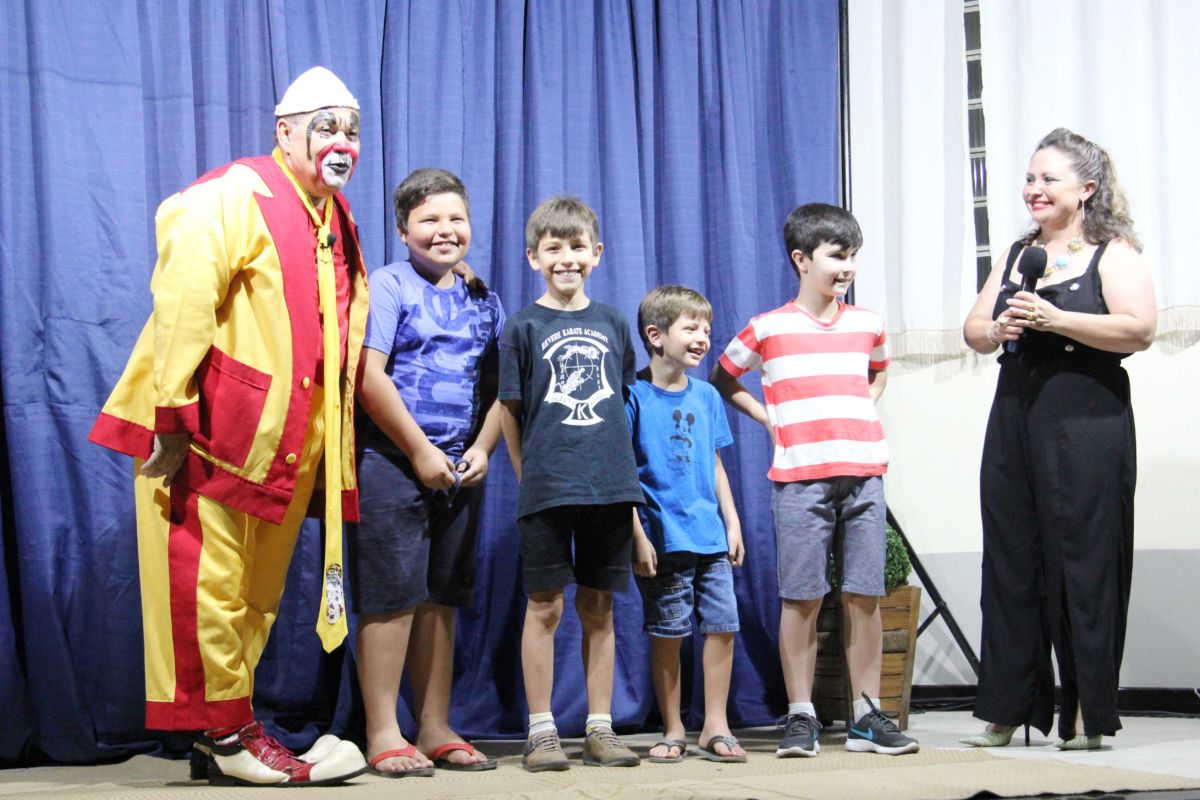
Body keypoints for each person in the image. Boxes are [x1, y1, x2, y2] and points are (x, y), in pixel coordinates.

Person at [87, 66, 370, 786]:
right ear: (285, 131)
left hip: (286, 442)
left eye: (352, 130)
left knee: (257, 594)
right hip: (216, 428)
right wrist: (173, 412)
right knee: (208, 584)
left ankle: (231, 727)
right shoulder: (231, 195)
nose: (342, 142)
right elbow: (183, 303)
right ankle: (222, 731)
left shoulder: (333, 218)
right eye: (327, 126)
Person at [961, 128, 1155, 750]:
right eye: (1029, 178)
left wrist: (1056, 317)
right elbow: (973, 328)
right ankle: (1007, 707)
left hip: (1086, 417)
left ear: (1087, 189)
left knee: (1083, 563)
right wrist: (998, 328)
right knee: (1013, 557)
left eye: (1049, 179)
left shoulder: (1112, 250)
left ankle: (1084, 712)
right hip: (1017, 408)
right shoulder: (1020, 252)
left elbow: (1139, 328)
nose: (1033, 189)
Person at [712, 203, 919, 757]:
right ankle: (801, 713)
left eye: (852, 255)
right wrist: (767, 416)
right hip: (800, 479)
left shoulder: (867, 324)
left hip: (864, 474)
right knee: (801, 596)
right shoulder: (768, 328)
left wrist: (858, 413)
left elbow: (876, 374)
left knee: (864, 595)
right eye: (836, 255)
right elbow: (723, 378)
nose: (846, 266)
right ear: (802, 260)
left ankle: (867, 715)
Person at [350, 168, 504, 776]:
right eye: (429, 219)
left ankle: (435, 724)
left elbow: (499, 390)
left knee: (442, 598)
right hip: (391, 461)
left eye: (456, 218)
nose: (445, 230)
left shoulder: (481, 297)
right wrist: (418, 451)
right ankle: (384, 731)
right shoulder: (387, 286)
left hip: (459, 467)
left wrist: (484, 449)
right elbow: (368, 376)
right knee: (391, 598)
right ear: (402, 229)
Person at [498, 196, 644, 772]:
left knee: (600, 606)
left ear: (597, 253)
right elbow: (510, 410)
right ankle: (541, 730)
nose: (566, 258)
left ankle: (600, 728)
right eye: (553, 248)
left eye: (577, 246)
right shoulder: (522, 326)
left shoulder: (611, 322)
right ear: (533, 256)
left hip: (611, 486)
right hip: (548, 488)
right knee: (544, 607)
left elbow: (624, 401)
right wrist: (526, 475)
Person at [626, 285, 746, 764]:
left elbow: (715, 463)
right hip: (663, 538)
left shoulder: (707, 395)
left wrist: (732, 522)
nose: (702, 338)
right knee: (668, 631)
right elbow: (624, 470)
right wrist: (637, 534)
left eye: (707, 330)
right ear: (656, 335)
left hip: (709, 537)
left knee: (722, 626)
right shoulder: (632, 395)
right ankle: (673, 726)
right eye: (690, 328)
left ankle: (715, 724)